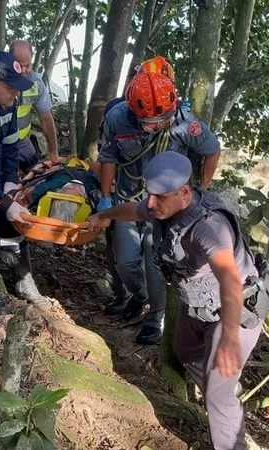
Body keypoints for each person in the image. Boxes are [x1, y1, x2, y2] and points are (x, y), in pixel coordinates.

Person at [87, 151, 269, 450]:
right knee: (185, 351)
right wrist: (103, 215)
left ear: (184, 192)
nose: (151, 203)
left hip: (234, 313)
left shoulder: (209, 227)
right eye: (150, 195)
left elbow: (230, 280)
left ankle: (229, 428)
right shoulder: (163, 205)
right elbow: (133, 211)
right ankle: (224, 391)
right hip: (200, 306)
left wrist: (228, 341)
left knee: (217, 394)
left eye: (158, 197)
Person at [97, 67, 222, 345]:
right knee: (126, 261)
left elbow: (212, 149)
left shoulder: (183, 123)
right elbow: (108, 157)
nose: (158, 126)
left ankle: (155, 318)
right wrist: (106, 197)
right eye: (151, 122)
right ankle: (138, 297)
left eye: (162, 120)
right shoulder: (117, 119)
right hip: (129, 199)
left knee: (156, 265)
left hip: (165, 209)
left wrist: (203, 186)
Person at [0, 51, 49, 316]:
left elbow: (11, 150)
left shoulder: (8, 109)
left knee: (18, 220)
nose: (15, 95)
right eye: (10, 89)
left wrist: (11, 184)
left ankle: (24, 282)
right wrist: (2, 200)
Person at [9, 40, 60, 172]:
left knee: (37, 173)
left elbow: (46, 119)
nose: (24, 71)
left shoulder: (36, 84)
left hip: (21, 141)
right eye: (19, 66)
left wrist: (53, 152)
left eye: (28, 65)